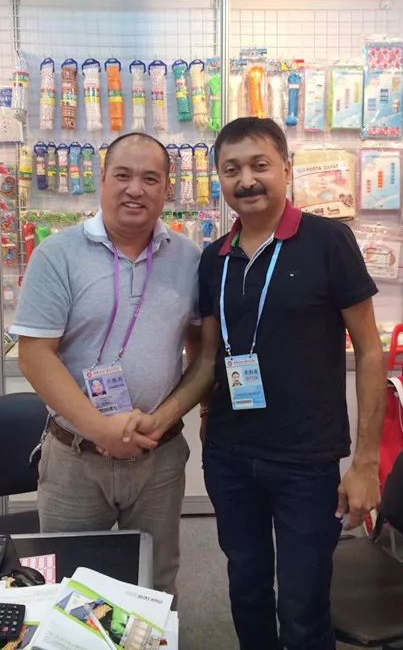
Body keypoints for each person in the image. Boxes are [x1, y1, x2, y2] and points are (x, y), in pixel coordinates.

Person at [133, 118, 386, 650]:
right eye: (231, 169)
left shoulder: (328, 241)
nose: (246, 180)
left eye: (259, 165)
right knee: (246, 588)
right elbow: (208, 356)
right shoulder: (214, 258)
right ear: (219, 179)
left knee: (303, 605)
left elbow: (369, 350)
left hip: (306, 460)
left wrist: (365, 463)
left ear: (286, 170)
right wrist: (193, 416)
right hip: (230, 456)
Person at [11, 132, 201, 596]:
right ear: (101, 179)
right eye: (123, 175)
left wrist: (163, 418)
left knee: (155, 583)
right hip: (75, 458)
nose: (135, 189)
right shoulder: (57, 254)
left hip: (159, 457)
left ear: (167, 188)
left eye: (150, 179)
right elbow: (35, 355)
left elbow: (205, 356)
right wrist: (101, 429)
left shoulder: (190, 259)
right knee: (67, 585)